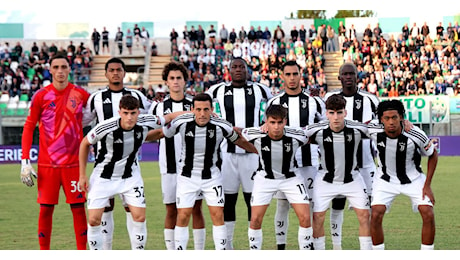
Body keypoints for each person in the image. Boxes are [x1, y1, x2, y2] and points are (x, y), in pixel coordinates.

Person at [161, 93, 258, 250]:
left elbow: (238, 140)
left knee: (217, 214)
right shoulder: (181, 122)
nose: (202, 113)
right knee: (184, 215)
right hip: (187, 177)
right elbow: (163, 133)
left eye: (206, 109)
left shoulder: (222, 125)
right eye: (198, 109)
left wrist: (258, 151)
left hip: (212, 177)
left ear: (212, 109)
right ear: (192, 109)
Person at [79, 95, 177, 250]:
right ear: (119, 112)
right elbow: (85, 143)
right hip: (103, 177)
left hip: (130, 177)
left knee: (139, 217)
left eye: (133, 113)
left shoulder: (146, 121)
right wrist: (82, 175)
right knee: (93, 220)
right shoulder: (105, 127)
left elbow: (169, 117)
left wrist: (194, 114)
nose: (129, 117)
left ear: (138, 112)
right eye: (125, 113)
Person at [20, 54, 90, 250]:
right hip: (47, 165)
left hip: (74, 164)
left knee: (78, 209)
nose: (60, 71)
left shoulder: (81, 95)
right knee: (45, 210)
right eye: (56, 67)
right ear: (50, 70)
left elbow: (96, 117)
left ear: (70, 69)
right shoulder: (41, 96)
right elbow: (28, 127)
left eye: (64, 67)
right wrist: (25, 161)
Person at [83, 57, 152, 250]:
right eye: (111, 70)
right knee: (105, 208)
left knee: (132, 209)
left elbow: (153, 112)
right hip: (104, 162)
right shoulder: (96, 98)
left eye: (119, 70)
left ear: (124, 73)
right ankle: (107, 250)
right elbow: (84, 121)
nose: (115, 73)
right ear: (106, 74)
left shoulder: (136, 95)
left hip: (130, 163)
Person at [206, 57, 273, 249]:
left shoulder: (261, 90)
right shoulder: (216, 90)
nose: (238, 70)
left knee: (252, 201)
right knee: (228, 201)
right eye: (234, 67)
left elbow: (271, 113)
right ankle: (228, 247)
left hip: (253, 154)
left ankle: (254, 247)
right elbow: (205, 110)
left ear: (247, 70)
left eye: (241, 67)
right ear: (229, 70)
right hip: (226, 154)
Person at [266, 60, 325, 249]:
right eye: (288, 74)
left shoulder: (314, 101)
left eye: (295, 74)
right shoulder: (274, 102)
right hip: (282, 164)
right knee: (282, 205)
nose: (292, 78)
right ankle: (281, 248)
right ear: (282, 76)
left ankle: (311, 247)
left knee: (310, 206)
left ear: (301, 75)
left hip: (309, 161)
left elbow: (324, 128)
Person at [148, 61, 206, 250]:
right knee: (171, 209)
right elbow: (149, 134)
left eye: (178, 78)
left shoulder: (196, 105)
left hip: (194, 167)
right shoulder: (158, 107)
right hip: (169, 166)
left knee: (196, 209)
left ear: (185, 81)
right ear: (166, 81)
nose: (175, 82)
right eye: (171, 78)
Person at [305, 94, 372, 250]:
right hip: (325, 180)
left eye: (339, 112)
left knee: (364, 216)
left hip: (353, 179)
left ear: (345, 112)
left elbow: (382, 129)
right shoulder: (316, 129)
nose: (336, 117)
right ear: (326, 113)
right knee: (318, 218)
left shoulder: (358, 128)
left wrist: (405, 123)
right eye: (332, 112)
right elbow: (292, 134)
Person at [242, 104, 314, 250]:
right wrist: (257, 150)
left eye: (279, 122)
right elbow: (237, 135)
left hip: (291, 178)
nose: (276, 127)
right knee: (255, 219)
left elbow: (313, 136)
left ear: (285, 122)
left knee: (306, 218)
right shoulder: (253, 133)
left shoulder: (297, 135)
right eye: (272, 122)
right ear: (266, 121)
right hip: (265, 179)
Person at [323, 62, 379, 250]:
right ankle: (337, 247)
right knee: (337, 203)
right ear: (339, 77)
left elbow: (380, 124)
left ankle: (368, 247)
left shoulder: (370, 99)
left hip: (365, 162)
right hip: (339, 163)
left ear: (357, 76)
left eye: (351, 74)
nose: (348, 77)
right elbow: (323, 124)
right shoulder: (330, 97)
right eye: (344, 74)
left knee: (368, 208)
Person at [369, 99, 438, 250]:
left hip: (413, 179)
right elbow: (360, 125)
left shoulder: (415, 134)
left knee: (428, 213)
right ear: (381, 119)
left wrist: (427, 185)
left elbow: (433, 154)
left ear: (401, 117)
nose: (391, 122)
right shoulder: (373, 129)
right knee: (375, 215)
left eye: (395, 117)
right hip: (384, 179)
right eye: (386, 118)